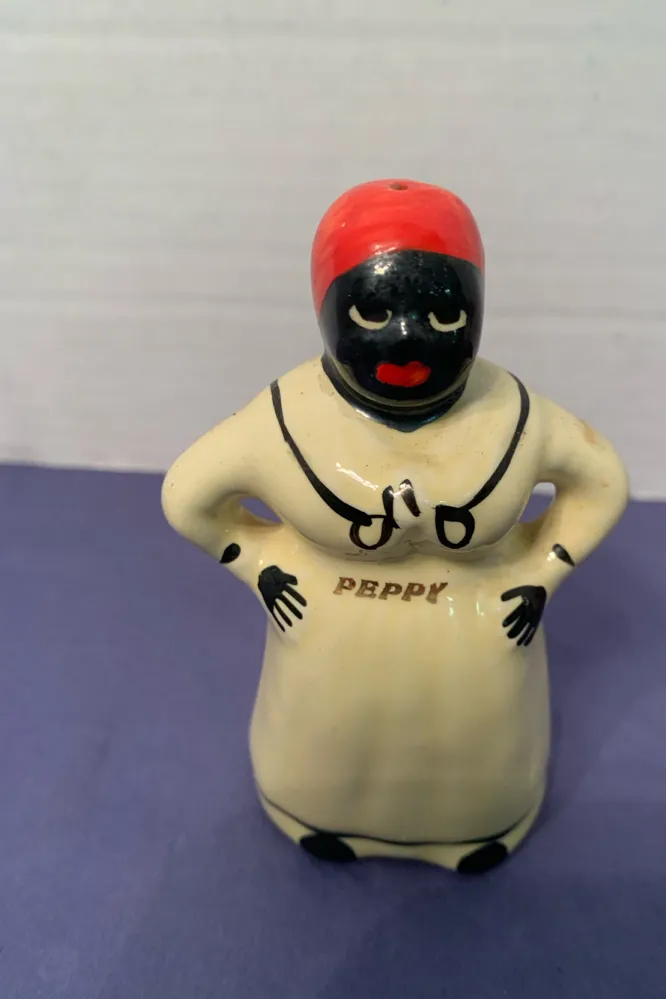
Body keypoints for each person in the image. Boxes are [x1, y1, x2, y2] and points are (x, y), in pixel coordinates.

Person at [161, 178, 629, 873]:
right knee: (326, 760)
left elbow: (601, 481)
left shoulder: (512, 411)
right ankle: (315, 816)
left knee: (476, 770)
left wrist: (544, 572)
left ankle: (477, 829)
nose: (408, 339)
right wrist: (258, 565)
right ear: (325, 308)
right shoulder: (285, 414)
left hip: (479, 650)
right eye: (374, 310)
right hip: (329, 654)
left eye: (444, 315)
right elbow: (188, 495)